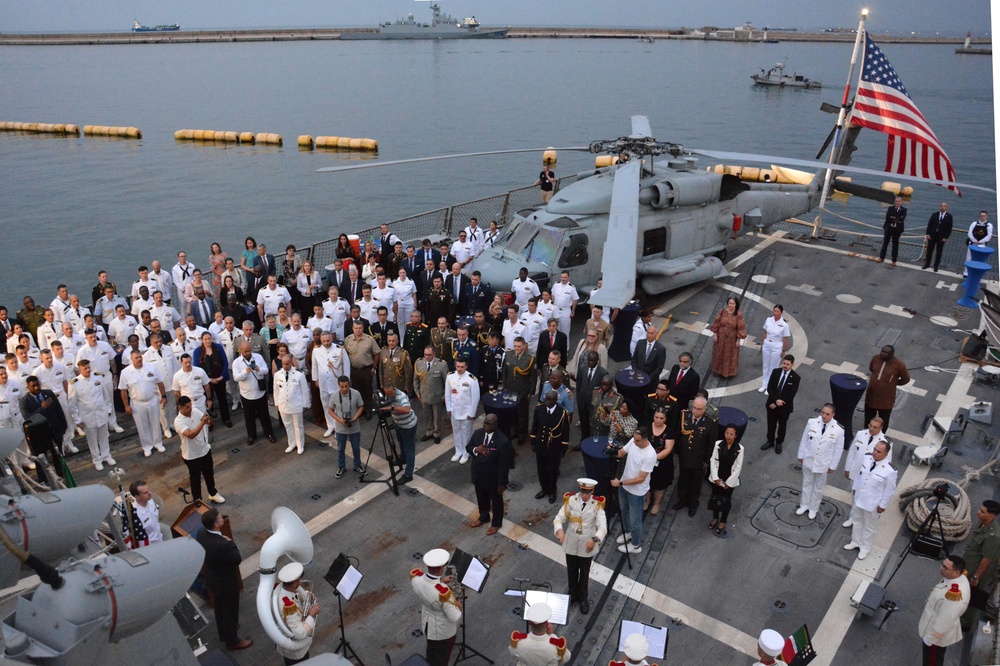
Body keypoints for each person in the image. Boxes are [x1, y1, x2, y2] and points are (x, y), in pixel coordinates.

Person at [195, 508, 253, 651]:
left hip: (212, 578)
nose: (223, 519)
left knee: (219, 607)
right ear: (216, 524)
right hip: (227, 583)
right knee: (230, 611)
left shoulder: (201, 533)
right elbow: (236, 559)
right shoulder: (223, 544)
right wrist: (231, 543)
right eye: (220, 518)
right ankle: (232, 641)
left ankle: (224, 632)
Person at [553, 478, 606, 614]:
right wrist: (559, 530)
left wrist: (594, 539)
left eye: (587, 492)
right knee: (571, 570)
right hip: (571, 541)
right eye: (583, 492)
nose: (584, 495)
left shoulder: (597, 504)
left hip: (587, 543)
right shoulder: (571, 500)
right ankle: (572, 594)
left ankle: (583, 597)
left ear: (592, 491)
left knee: (584, 572)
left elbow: (603, 526)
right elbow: (559, 517)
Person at [843, 440, 897, 560]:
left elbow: (889, 490)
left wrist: (882, 505)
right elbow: (859, 476)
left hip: (872, 503)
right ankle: (855, 541)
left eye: (879, 451)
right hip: (859, 498)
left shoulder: (889, 470)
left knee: (869, 527)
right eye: (875, 449)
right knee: (857, 521)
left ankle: (865, 548)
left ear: (886, 454)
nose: (875, 452)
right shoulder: (867, 458)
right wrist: (855, 489)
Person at [410, 548, 462, 666]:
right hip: (443, 632)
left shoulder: (415, 577)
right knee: (441, 660)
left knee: (431, 653)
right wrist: (458, 606)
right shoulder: (443, 594)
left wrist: (441, 581)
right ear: (440, 569)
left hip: (428, 625)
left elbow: (428, 587)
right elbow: (454, 617)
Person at [611, 427, 657, 553]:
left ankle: (636, 545)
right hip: (624, 486)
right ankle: (628, 532)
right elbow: (621, 453)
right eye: (634, 439)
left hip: (637, 492)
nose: (635, 442)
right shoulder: (633, 441)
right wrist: (612, 450)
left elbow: (641, 478)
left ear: (645, 439)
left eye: (637, 440)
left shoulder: (650, 455)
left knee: (635, 519)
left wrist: (620, 482)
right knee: (624, 510)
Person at [467, 413, 514, 534]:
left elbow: (504, 464)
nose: (486, 426)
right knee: (481, 498)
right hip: (478, 474)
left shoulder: (502, 441)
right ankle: (484, 517)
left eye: (489, 424)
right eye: (485, 423)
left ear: (495, 424)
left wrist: (501, 483)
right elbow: (468, 447)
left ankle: (497, 523)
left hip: (493, 478)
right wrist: (476, 450)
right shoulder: (478, 433)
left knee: (496, 501)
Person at [796, 403, 844, 520]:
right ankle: (804, 505)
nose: (824, 416)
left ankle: (813, 508)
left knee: (818, 488)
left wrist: (833, 466)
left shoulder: (838, 429)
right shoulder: (812, 422)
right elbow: (804, 439)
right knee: (807, 483)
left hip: (823, 464)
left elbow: (838, 450)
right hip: (809, 459)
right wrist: (801, 455)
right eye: (823, 412)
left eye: (827, 414)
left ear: (833, 415)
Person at [918, 555, 969, 666]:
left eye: (945, 567)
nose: (941, 568)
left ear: (956, 572)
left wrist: (932, 638)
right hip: (934, 623)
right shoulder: (956, 578)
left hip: (936, 635)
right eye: (942, 565)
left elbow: (946, 619)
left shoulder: (955, 596)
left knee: (932, 661)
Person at [174, 395, 225, 504]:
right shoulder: (178, 421)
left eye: (190, 406)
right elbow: (190, 435)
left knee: (209, 473)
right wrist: (203, 423)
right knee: (195, 479)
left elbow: (208, 422)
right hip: (191, 455)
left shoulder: (195, 411)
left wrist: (209, 420)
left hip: (204, 449)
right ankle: (198, 500)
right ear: (180, 408)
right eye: (187, 407)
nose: (190, 409)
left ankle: (213, 493)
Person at [672, 396, 717, 516]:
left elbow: (711, 444)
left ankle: (693, 503)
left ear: (704, 409)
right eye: (694, 408)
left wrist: (706, 461)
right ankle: (682, 499)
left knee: (696, 482)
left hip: (699, 459)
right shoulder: (685, 416)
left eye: (699, 409)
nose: (695, 411)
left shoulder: (710, 423)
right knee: (683, 479)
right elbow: (678, 434)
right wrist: (676, 451)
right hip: (684, 456)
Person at [118, 350, 168, 457]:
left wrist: (163, 396)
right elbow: (123, 390)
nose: (139, 359)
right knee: (142, 426)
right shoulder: (125, 372)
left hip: (152, 399)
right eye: (136, 358)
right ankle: (147, 447)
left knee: (155, 423)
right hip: (137, 403)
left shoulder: (151, 367)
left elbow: (160, 382)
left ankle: (158, 443)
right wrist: (126, 405)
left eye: (140, 357)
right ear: (131, 359)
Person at [960, 500, 1000, 630]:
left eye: (982, 511)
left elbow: (986, 559)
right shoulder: (983, 522)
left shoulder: (993, 536)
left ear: (991, 516)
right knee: (963, 591)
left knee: (973, 597)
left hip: (978, 571)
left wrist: (976, 577)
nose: (978, 512)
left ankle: (965, 624)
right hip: (969, 564)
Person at [68, 359, 114, 469]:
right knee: (92, 439)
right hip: (87, 416)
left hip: (101, 412)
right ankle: (97, 460)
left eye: (89, 367)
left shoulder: (98, 377)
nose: (88, 370)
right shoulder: (74, 383)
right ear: (80, 370)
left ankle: (106, 455)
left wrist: (108, 409)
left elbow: (105, 394)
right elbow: (72, 404)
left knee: (104, 436)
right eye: (85, 368)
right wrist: (77, 420)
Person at [271, 562, 320, 665]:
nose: (300, 582)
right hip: (296, 653)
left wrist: (307, 595)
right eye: (298, 580)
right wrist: (311, 615)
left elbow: (294, 595)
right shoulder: (288, 608)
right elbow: (299, 633)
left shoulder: (283, 590)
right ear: (294, 584)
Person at [842, 417, 888, 527]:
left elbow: (885, 464)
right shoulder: (861, 434)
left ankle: (861, 520)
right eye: (870, 425)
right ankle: (853, 517)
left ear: (881, 428)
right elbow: (852, 451)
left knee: (866, 498)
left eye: (875, 427)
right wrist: (848, 468)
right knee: (854, 496)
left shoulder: (885, 442)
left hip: (870, 476)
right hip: (856, 471)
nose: (871, 429)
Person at [231, 341, 276, 446]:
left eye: (249, 351)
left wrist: (259, 369)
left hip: (260, 393)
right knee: (249, 417)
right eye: (245, 351)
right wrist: (245, 372)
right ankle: (251, 436)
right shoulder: (236, 362)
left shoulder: (258, 357)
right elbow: (236, 378)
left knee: (264, 415)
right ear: (241, 351)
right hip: (246, 395)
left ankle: (269, 433)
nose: (248, 353)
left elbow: (266, 370)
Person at [532, 390, 569, 504]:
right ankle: (544, 489)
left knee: (552, 471)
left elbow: (565, 432)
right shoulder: (539, 410)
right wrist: (533, 442)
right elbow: (535, 427)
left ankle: (552, 491)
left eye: (550, 400)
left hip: (554, 447)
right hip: (541, 445)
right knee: (541, 469)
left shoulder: (562, 413)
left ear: (555, 400)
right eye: (546, 399)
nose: (547, 402)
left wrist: (563, 449)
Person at [312, 331, 351, 437]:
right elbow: (314, 365)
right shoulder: (316, 350)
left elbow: (346, 365)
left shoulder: (339, 349)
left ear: (332, 339)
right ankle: (330, 426)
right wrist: (315, 379)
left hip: (336, 382)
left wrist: (346, 380)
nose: (326, 343)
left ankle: (339, 427)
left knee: (338, 405)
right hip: (323, 383)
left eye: (328, 340)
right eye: (324, 341)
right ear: (321, 340)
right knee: (326, 404)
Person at [708, 424, 744, 535]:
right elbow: (713, 461)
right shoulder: (718, 444)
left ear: (735, 436)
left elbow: (738, 467)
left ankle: (723, 520)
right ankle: (715, 517)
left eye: (731, 434)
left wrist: (729, 483)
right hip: (718, 477)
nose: (728, 436)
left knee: (725, 500)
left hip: (729, 478)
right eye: (727, 433)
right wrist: (716, 478)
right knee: (715, 497)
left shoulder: (739, 449)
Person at [864, 345, 910, 434]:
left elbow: (906, 379)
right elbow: (871, 369)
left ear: (892, 354)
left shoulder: (899, 364)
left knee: (884, 420)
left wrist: (893, 384)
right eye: (882, 351)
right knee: (868, 418)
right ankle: (867, 433)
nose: (883, 354)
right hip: (872, 396)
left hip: (886, 399)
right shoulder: (875, 358)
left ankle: (881, 436)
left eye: (886, 353)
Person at [761, 354, 799, 454]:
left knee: (782, 426)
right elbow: (770, 388)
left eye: (787, 364)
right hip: (771, 405)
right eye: (784, 363)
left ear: (792, 365)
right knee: (771, 425)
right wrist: (775, 401)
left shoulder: (795, 378)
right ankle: (770, 441)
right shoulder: (776, 372)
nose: (785, 366)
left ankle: (779, 443)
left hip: (784, 408)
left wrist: (777, 403)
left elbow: (791, 395)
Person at [328, 375, 364, 478]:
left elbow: (361, 406)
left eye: (346, 386)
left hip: (354, 426)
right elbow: (330, 410)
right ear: (338, 386)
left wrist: (355, 418)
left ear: (349, 385)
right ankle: (341, 467)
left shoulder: (356, 393)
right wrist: (339, 420)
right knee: (340, 449)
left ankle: (357, 465)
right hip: (340, 427)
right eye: (342, 387)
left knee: (356, 448)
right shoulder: (334, 396)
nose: (344, 389)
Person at [381, 382, 419, 481]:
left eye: (391, 393)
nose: (389, 395)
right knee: (401, 442)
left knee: (409, 449)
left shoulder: (402, 397)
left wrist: (393, 408)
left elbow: (406, 410)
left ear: (394, 388)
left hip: (408, 426)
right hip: (398, 424)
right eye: (387, 393)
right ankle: (403, 458)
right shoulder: (387, 395)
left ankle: (408, 474)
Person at [193, 331, 232, 428]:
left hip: (219, 379)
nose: (208, 341)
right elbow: (197, 368)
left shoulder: (218, 347)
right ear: (202, 340)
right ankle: (209, 422)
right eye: (205, 339)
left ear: (212, 339)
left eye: (209, 338)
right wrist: (209, 379)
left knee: (223, 399)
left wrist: (221, 376)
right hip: (206, 382)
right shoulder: (197, 351)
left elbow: (225, 362)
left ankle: (226, 419)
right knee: (208, 402)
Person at [444, 359, 479, 464]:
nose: (459, 369)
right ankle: (458, 451)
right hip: (454, 410)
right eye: (458, 366)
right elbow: (448, 394)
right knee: (456, 431)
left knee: (466, 432)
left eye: (462, 367)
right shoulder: (450, 376)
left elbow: (475, 398)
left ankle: (466, 452)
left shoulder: (471, 379)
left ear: (466, 366)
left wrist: (472, 413)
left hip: (466, 411)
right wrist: (448, 408)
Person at [502, 337, 536, 446]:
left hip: (522, 391)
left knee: (522, 414)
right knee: (512, 412)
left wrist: (531, 392)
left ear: (524, 346)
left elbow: (533, 377)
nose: (517, 348)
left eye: (519, 346)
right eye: (515, 346)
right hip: (510, 389)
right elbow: (504, 372)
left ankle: (522, 434)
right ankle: (515, 430)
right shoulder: (508, 355)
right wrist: (504, 387)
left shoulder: (530, 359)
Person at [274, 354, 310, 455]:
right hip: (283, 404)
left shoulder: (299, 375)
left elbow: (305, 390)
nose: (285, 366)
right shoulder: (277, 375)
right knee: (288, 425)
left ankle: (300, 445)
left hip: (296, 404)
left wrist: (305, 404)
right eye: (283, 364)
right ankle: (292, 443)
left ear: (291, 363)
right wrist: (277, 403)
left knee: (298, 426)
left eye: (287, 364)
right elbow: (276, 390)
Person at [344, 321, 381, 416]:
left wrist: (374, 367)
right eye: (356, 328)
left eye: (360, 328)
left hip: (366, 369)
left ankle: (368, 410)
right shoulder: (348, 339)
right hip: (354, 369)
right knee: (356, 391)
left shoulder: (369, 339)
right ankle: (360, 410)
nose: (358, 330)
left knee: (367, 390)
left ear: (363, 328)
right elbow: (345, 354)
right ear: (352, 329)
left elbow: (377, 353)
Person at [414, 345, 448, 443]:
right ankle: (429, 432)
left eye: (429, 355)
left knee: (437, 416)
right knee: (427, 415)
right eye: (425, 355)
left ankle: (436, 433)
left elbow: (447, 382)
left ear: (434, 354)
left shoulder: (442, 365)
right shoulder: (419, 363)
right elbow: (416, 380)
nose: (427, 357)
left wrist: (445, 395)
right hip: (424, 395)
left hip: (437, 395)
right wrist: (417, 392)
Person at [709, 296, 747, 378]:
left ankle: (728, 372)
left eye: (733, 303)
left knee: (730, 355)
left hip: (732, 338)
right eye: (730, 303)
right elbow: (716, 323)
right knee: (719, 353)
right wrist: (715, 334)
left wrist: (738, 340)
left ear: (736, 304)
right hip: (721, 336)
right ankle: (717, 370)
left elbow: (741, 328)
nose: (731, 305)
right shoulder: (722, 312)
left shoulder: (739, 314)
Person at [118, 480, 163, 548]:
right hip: (149, 545)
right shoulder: (136, 515)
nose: (150, 493)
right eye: (145, 493)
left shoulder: (151, 501)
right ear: (137, 497)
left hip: (160, 539)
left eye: (148, 490)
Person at [646, 408, 675, 515]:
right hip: (646, 461)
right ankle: (647, 500)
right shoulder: (647, 427)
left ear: (665, 419)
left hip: (662, 463)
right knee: (646, 482)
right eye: (656, 417)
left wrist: (654, 458)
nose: (658, 420)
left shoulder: (669, 431)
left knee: (659, 486)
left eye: (661, 418)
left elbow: (668, 449)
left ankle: (656, 504)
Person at [575, 351, 608, 440]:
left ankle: (592, 441)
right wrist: (579, 398)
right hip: (582, 401)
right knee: (583, 422)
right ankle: (583, 440)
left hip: (594, 404)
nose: (590, 362)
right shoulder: (582, 368)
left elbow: (604, 391)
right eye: (589, 360)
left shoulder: (603, 373)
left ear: (597, 360)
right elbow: (578, 384)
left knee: (594, 424)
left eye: (593, 361)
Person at [923, 202, 953, 272]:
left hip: (941, 237)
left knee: (939, 252)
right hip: (932, 235)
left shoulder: (949, 216)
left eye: (944, 206)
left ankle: (936, 266)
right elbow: (929, 225)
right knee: (929, 250)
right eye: (942, 206)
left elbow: (949, 228)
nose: (943, 207)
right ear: (940, 207)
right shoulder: (935, 214)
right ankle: (927, 263)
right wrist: (928, 234)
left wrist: (946, 237)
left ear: (946, 207)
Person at [877, 196, 907, 266]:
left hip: (897, 229)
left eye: (899, 201)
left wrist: (893, 217)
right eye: (896, 201)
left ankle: (894, 260)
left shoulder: (904, 210)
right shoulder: (890, 208)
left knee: (895, 245)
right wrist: (896, 218)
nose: (897, 203)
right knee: (885, 243)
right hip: (889, 228)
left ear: (901, 202)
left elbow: (902, 219)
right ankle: (881, 257)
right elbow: (887, 217)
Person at [965, 210, 994, 276]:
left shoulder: (989, 225)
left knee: (979, 259)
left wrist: (980, 242)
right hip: (972, 244)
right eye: (981, 216)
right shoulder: (974, 223)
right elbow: (970, 233)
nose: (982, 217)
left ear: (986, 216)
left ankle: (975, 273)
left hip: (982, 245)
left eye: (984, 216)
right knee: (969, 258)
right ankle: (966, 273)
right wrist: (974, 241)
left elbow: (989, 236)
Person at [550, 271, 579, 335]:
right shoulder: (556, 285)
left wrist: (573, 311)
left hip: (565, 311)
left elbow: (575, 300)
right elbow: (553, 295)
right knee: (555, 330)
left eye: (565, 277)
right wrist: (552, 307)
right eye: (562, 277)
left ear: (568, 278)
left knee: (565, 331)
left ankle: (565, 342)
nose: (563, 279)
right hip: (556, 309)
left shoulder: (571, 287)